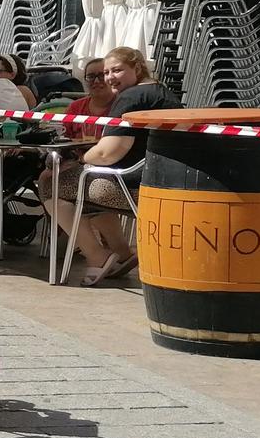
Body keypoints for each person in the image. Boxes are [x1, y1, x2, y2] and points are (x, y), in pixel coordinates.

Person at [37, 45, 176, 285]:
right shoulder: (162, 93)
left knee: (52, 185)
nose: (110, 77)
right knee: (85, 188)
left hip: (132, 185)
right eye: (107, 72)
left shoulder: (130, 98)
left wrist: (81, 159)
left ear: (137, 67)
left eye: (117, 70)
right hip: (163, 179)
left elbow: (108, 152)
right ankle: (121, 253)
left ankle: (97, 256)